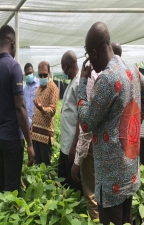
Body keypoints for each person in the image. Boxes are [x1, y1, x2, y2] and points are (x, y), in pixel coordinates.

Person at [78, 22, 144, 225]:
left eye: (88, 55)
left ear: (93, 53)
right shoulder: (131, 68)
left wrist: (82, 84)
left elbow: (86, 122)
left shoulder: (107, 80)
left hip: (111, 180)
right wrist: (133, 125)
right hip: (128, 172)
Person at [0, 25, 35, 192]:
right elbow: (20, 107)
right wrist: (30, 143)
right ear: (12, 43)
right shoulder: (13, 67)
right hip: (12, 139)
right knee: (11, 189)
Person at [68, 51, 99, 220]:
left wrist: (77, 161)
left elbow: (86, 125)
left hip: (93, 145)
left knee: (91, 195)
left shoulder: (90, 78)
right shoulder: (117, 73)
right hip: (107, 143)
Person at [58, 50, 83, 194]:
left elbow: (81, 117)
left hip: (72, 146)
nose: (63, 71)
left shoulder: (79, 82)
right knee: (63, 180)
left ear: (68, 65)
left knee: (74, 185)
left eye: (63, 67)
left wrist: (75, 146)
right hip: (65, 144)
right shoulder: (72, 82)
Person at [30, 61, 59, 166]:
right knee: (37, 164)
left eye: (45, 75)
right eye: (40, 75)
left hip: (45, 135)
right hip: (35, 134)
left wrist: (42, 109)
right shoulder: (38, 88)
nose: (42, 77)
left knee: (45, 166)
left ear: (49, 73)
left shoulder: (53, 88)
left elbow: (52, 111)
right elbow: (35, 110)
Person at [23, 63, 39, 128]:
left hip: (37, 122)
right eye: (27, 74)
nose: (29, 75)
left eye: (30, 73)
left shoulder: (39, 84)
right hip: (27, 123)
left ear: (33, 72)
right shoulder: (25, 88)